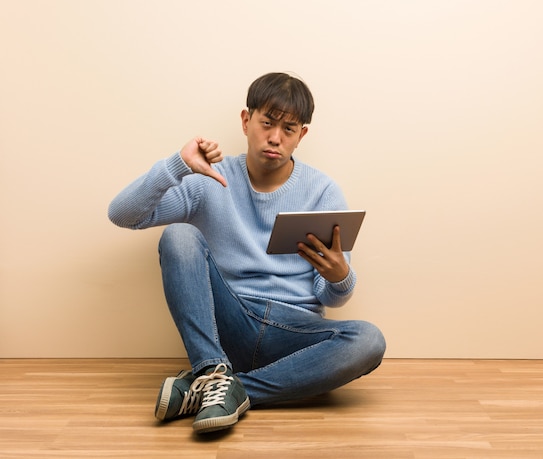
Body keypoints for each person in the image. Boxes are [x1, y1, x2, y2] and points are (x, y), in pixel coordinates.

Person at [108, 72, 386, 435]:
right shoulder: (211, 178)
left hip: (294, 334)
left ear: (302, 135)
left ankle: (227, 390)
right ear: (246, 120)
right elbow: (123, 215)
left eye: (289, 129)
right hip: (231, 323)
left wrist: (339, 277)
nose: (275, 137)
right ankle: (211, 371)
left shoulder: (322, 191)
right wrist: (177, 164)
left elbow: (333, 298)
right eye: (267, 123)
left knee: (369, 340)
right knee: (178, 235)